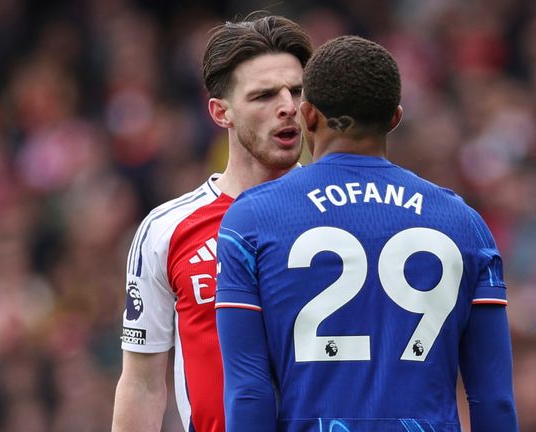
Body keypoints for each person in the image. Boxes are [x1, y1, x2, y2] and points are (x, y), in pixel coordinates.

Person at [215, 35, 519, 431]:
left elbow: (249, 391)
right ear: (395, 118)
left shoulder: (251, 220)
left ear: (306, 115)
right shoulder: (464, 225)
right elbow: (492, 398)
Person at [111, 14, 312, 432]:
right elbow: (144, 383)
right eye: (263, 96)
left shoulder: (338, 214)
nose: (287, 107)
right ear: (222, 113)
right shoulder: (167, 229)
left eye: (296, 91)